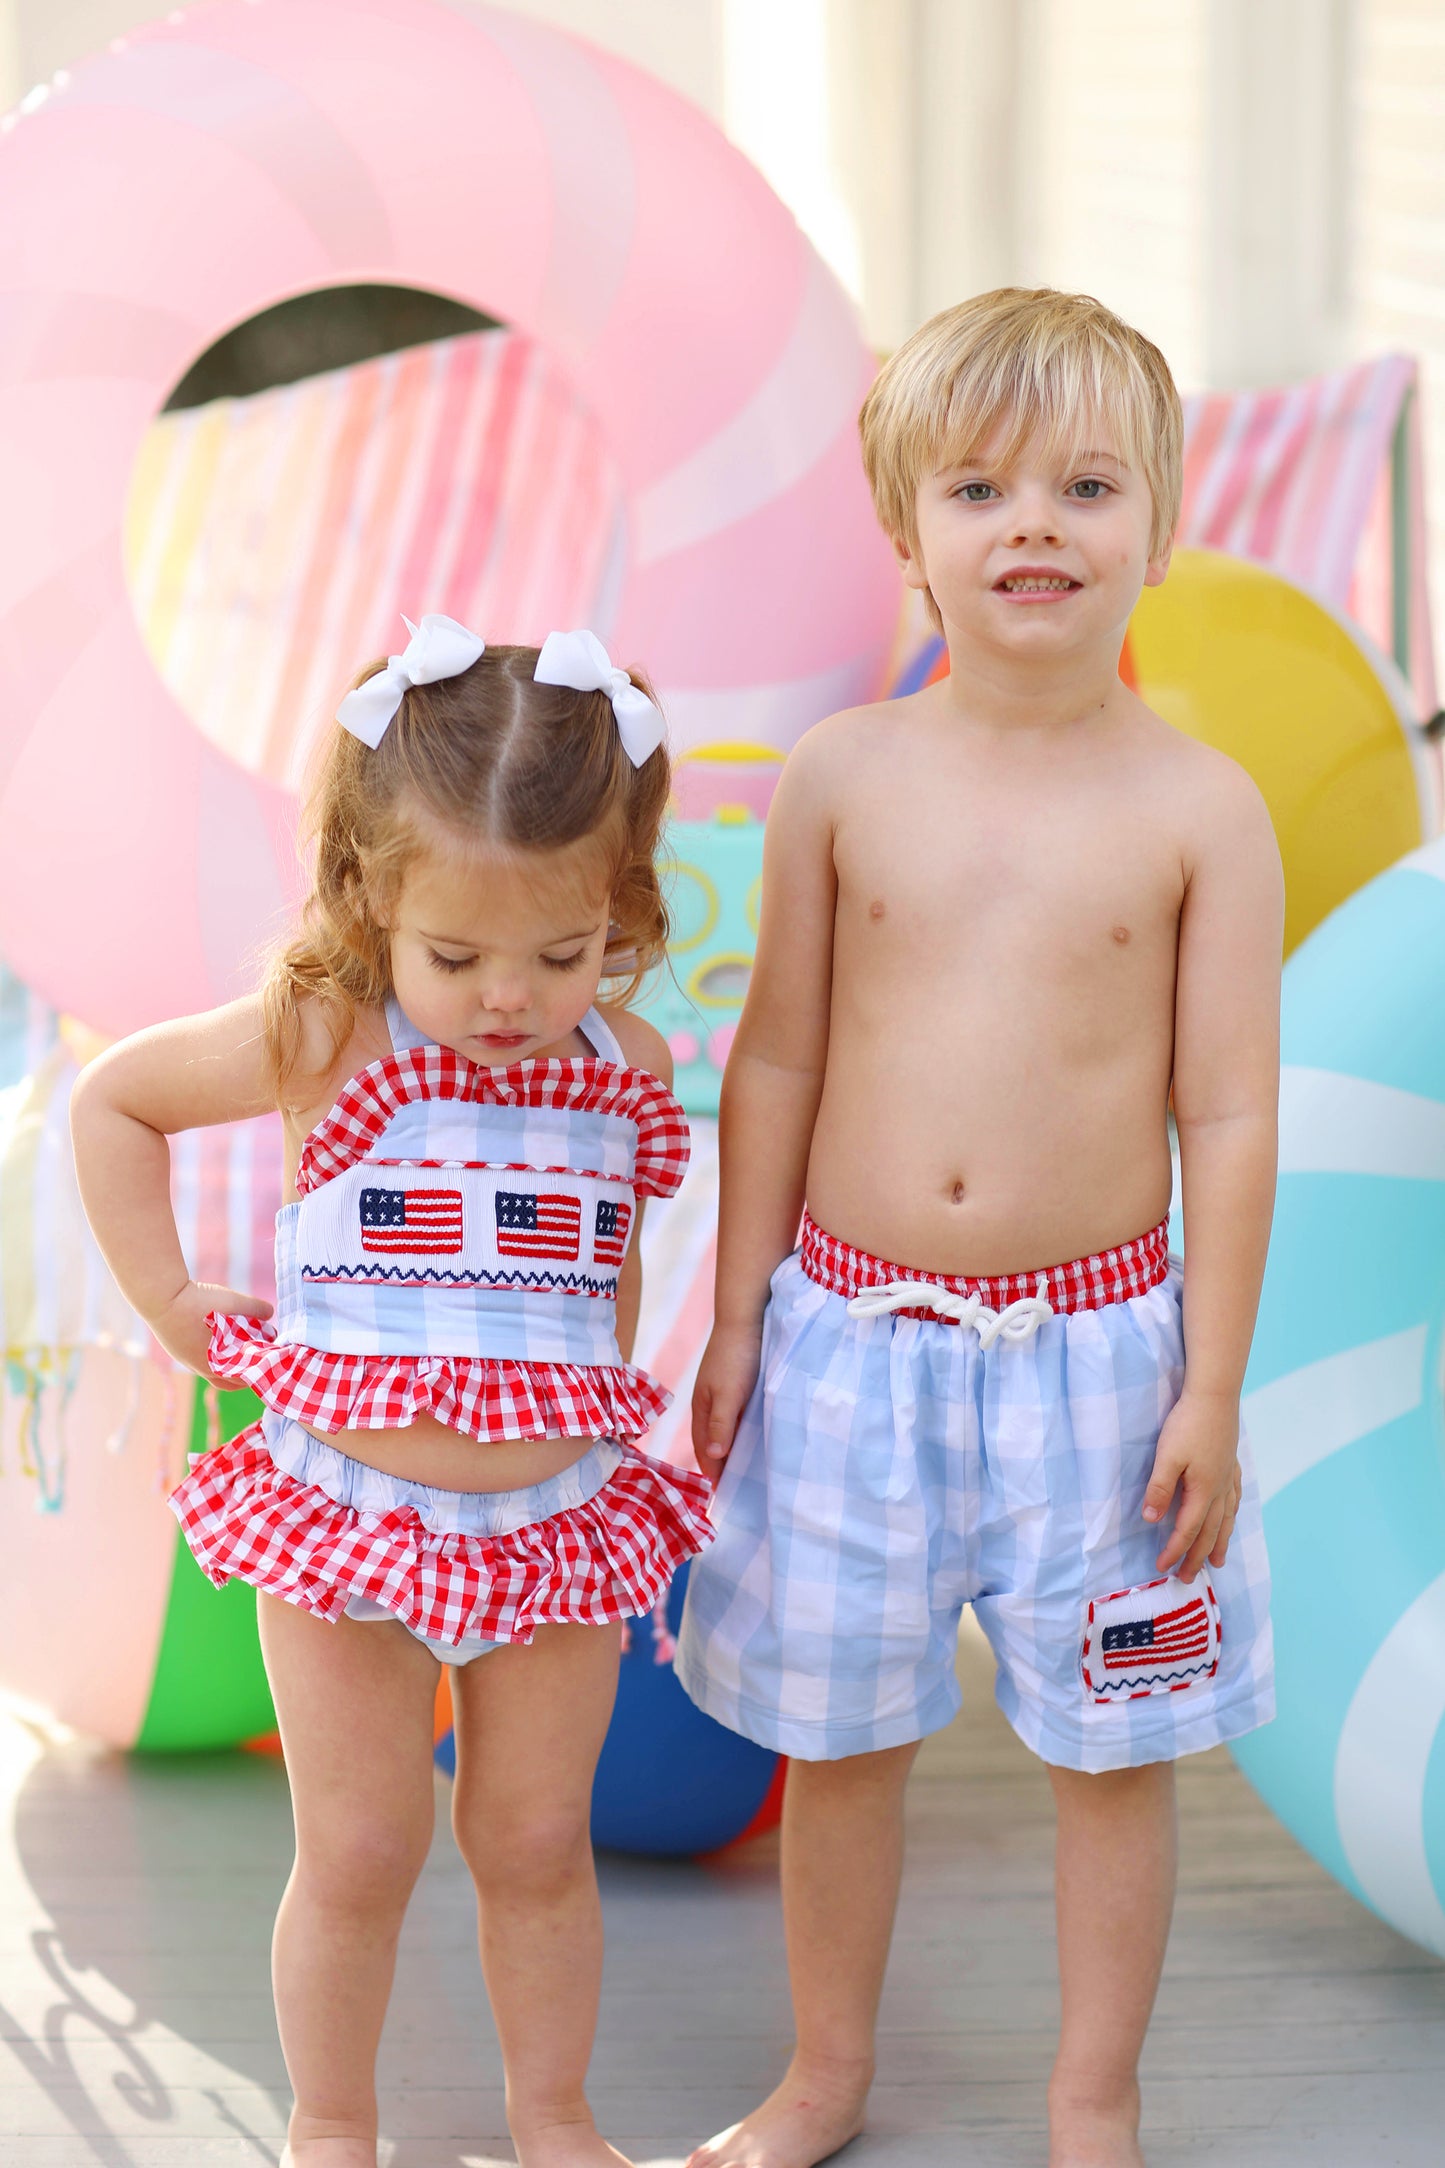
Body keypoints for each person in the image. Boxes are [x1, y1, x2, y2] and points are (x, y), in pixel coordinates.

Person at [674, 288, 1279, 2168]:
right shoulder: (847, 778)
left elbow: (1229, 1114)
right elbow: (770, 1060)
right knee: (839, 1739)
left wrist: (1211, 1391)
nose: (1033, 522)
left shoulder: (1199, 810)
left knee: (1115, 1752)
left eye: (1086, 485)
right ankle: (823, 2076)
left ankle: (1088, 2099)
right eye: (981, 485)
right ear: (904, 528)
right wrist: (734, 1315)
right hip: (852, 1344)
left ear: (1157, 528)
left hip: (1099, 1363)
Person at [71, 619, 713, 2168]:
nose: (509, 997)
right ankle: (332, 2124)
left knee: (534, 1842)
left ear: (617, 910)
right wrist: (168, 1300)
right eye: (459, 957)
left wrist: (596, 1404)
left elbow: (601, 1265)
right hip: (342, 1519)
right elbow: (117, 1102)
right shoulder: (326, 1035)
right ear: (370, 896)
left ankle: (552, 2114)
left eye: (559, 955)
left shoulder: (619, 1060)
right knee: (359, 1846)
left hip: (551, 1532)